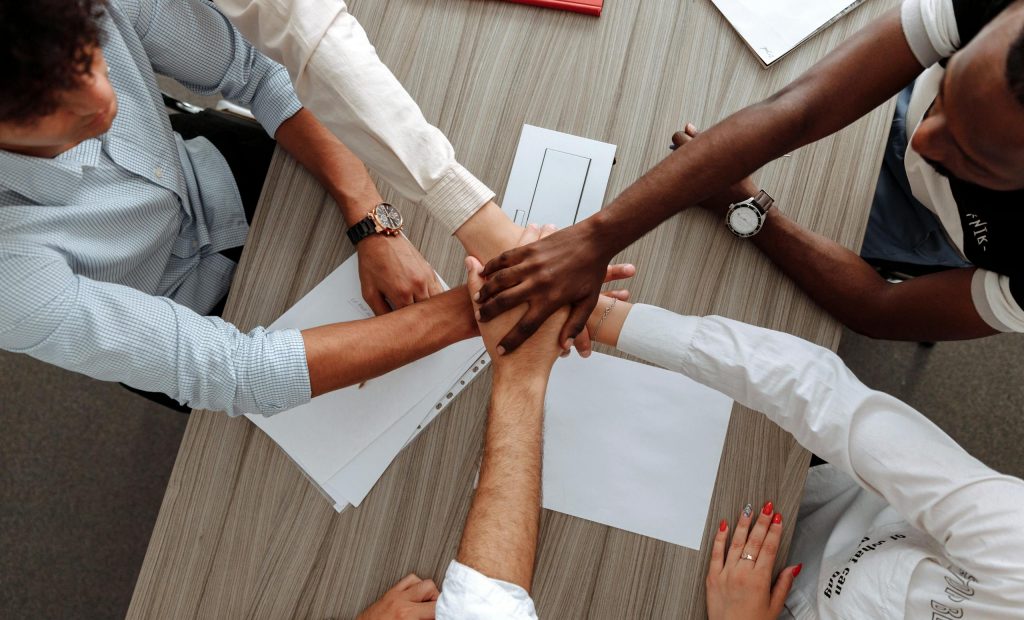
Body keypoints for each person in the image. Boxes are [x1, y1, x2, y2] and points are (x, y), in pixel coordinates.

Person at [475, 0, 1024, 349]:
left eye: (975, 157)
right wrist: (595, 239)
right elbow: (799, 110)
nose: (924, 138)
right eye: (948, 90)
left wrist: (754, 212)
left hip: (927, 224)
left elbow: (880, 309)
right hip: (874, 116)